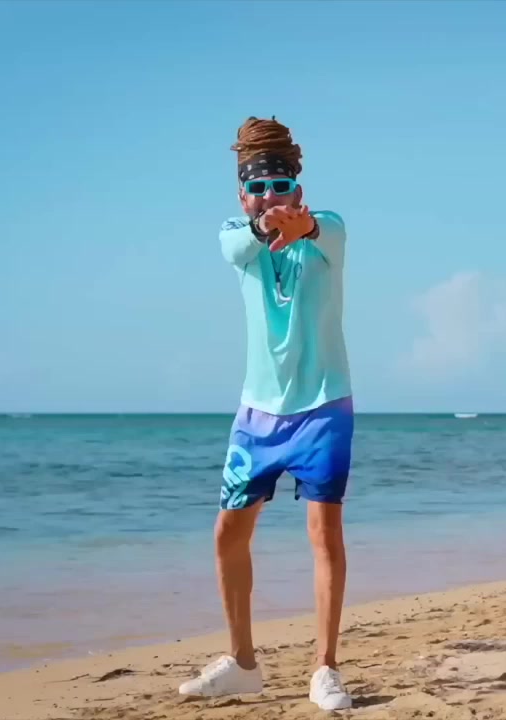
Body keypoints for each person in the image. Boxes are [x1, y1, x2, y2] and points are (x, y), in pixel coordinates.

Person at [177, 116, 353, 712]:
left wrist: (301, 225)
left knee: (324, 533)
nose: (271, 197)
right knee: (229, 532)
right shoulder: (237, 237)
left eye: (282, 186)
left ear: (299, 190)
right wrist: (262, 224)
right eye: (259, 188)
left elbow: (321, 230)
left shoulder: (329, 229)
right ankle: (242, 663)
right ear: (242, 195)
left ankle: (325, 667)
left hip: (324, 405)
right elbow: (237, 243)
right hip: (257, 414)